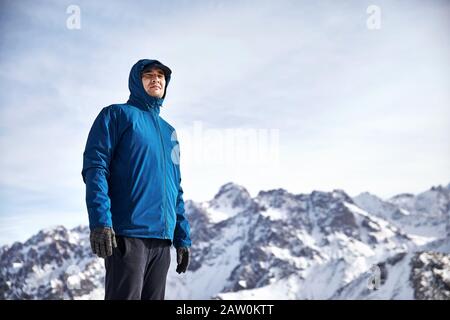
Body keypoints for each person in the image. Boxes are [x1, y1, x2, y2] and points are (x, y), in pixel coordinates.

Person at [81, 59, 191, 300]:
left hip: (162, 240)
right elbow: (95, 168)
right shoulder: (116, 115)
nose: (156, 79)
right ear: (136, 81)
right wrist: (101, 221)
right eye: (148, 75)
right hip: (128, 234)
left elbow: (175, 188)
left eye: (161, 75)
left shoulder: (169, 131)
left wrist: (182, 237)